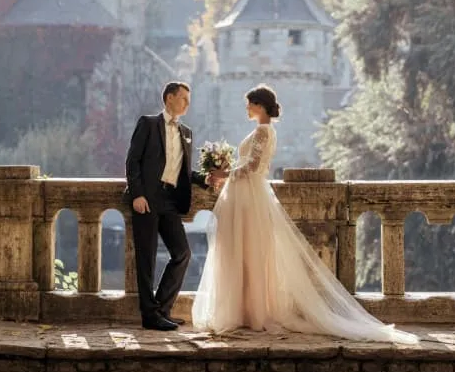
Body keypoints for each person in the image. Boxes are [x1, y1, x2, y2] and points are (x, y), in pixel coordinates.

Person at [192, 84, 418, 344]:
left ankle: (252, 313)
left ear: (259, 105)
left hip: (250, 197)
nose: (246, 108)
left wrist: (223, 174)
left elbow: (252, 167)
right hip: (248, 196)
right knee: (247, 253)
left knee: (250, 253)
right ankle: (248, 311)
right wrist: (227, 172)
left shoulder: (263, 131)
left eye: (249, 103)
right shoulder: (264, 130)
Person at [125, 82, 208, 331]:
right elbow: (133, 161)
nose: (187, 104)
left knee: (182, 253)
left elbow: (184, 171)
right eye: (183, 99)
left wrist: (205, 179)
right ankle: (149, 316)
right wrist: (137, 194)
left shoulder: (186, 132)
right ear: (170, 98)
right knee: (146, 258)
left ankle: (161, 309)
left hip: (170, 200)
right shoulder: (148, 124)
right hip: (147, 199)